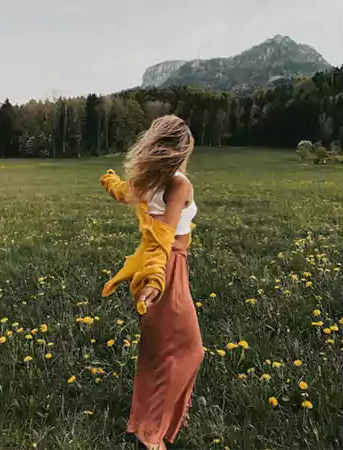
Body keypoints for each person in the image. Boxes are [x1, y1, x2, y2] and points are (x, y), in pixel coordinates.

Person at [100, 115, 204, 450]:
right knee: (189, 351)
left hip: (157, 267)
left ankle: (153, 421)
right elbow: (163, 237)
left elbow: (123, 194)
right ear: (183, 149)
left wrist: (111, 181)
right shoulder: (178, 185)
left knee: (158, 353)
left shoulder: (147, 180)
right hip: (166, 269)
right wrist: (157, 280)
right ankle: (153, 435)